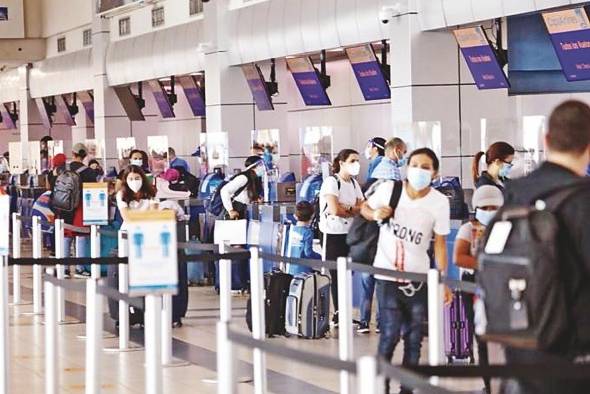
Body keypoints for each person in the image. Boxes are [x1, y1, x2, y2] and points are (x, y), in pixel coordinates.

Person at [500, 100, 590, 394]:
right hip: (573, 352)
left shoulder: (515, 192)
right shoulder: (582, 199)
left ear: (546, 139)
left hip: (519, 340)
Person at [361, 147, 451, 394]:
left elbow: (440, 244)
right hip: (387, 275)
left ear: (435, 173)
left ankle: (407, 390)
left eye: (426, 167)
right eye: (415, 165)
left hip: (417, 278)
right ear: (406, 167)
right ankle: (381, 385)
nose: (419, 171)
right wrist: (374, 213)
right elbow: (364, 208)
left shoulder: (439, 202)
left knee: (414, 340)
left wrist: (443, 280)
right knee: (389, 334)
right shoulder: (391, 190)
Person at [454, 185, 503, 394]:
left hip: (500, 285)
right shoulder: (468, 229)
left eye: (494, 206)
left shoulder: (506, 226)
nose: (489, 210)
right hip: (473, 286)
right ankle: (489, 383)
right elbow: (459, 257)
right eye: (485, 206)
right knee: (482, 336)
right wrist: (487, 263)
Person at [357, 138, 408, 334]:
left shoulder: (379, 171)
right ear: (395, 150)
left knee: (368, 278)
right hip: (381, 233)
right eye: (403, 152)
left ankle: (364, 321)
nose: (403, 156)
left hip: (369, 232)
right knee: (379, 278)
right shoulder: (388, 174)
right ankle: (379, 322)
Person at [319, 149, 364, 327]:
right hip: (332, 235)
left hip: (349, 234)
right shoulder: (331, 182)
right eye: (352, 160)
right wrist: (351, 209)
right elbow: (334, 209)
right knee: (337, 275)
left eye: (357, 161)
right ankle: (338, 314)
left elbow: (363, 207)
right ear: (341, 162)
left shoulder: (354, 183)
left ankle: (344, 313)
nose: (356, 164)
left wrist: (349, 208)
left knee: (347, 275)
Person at [56, 143, 99, 274]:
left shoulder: (61, 169)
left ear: (73, 154)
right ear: (85, 155)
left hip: (63, 206)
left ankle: (64, 268)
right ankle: (80, 268)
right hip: (81, 208)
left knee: (66, 236)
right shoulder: (89, 172)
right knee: (81, 236)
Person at [219, 156, 265, 220]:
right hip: (235, 210)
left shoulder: (254, 179)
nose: (263, 168)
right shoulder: (244, 177)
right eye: (261, 165)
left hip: (243, 210)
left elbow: (245, 194)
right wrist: (230, 210)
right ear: (253, 167)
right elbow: (224, 190)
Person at [286, 201, 321, 275]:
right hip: (303, 270)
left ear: (295, 216)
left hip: (290, 268)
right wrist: (320, 256)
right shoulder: (308, 232)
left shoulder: (291, 230)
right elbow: (308, 253)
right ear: (312, 216)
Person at [116, 165, 156, 230]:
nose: (134, 181)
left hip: (148, 229)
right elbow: (126, 217)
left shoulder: (150, 192)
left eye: (137, 178)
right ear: (126, 180)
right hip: (129, 229)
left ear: (142, 178)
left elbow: (153, 213)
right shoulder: (121, 194)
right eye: (130, 179)